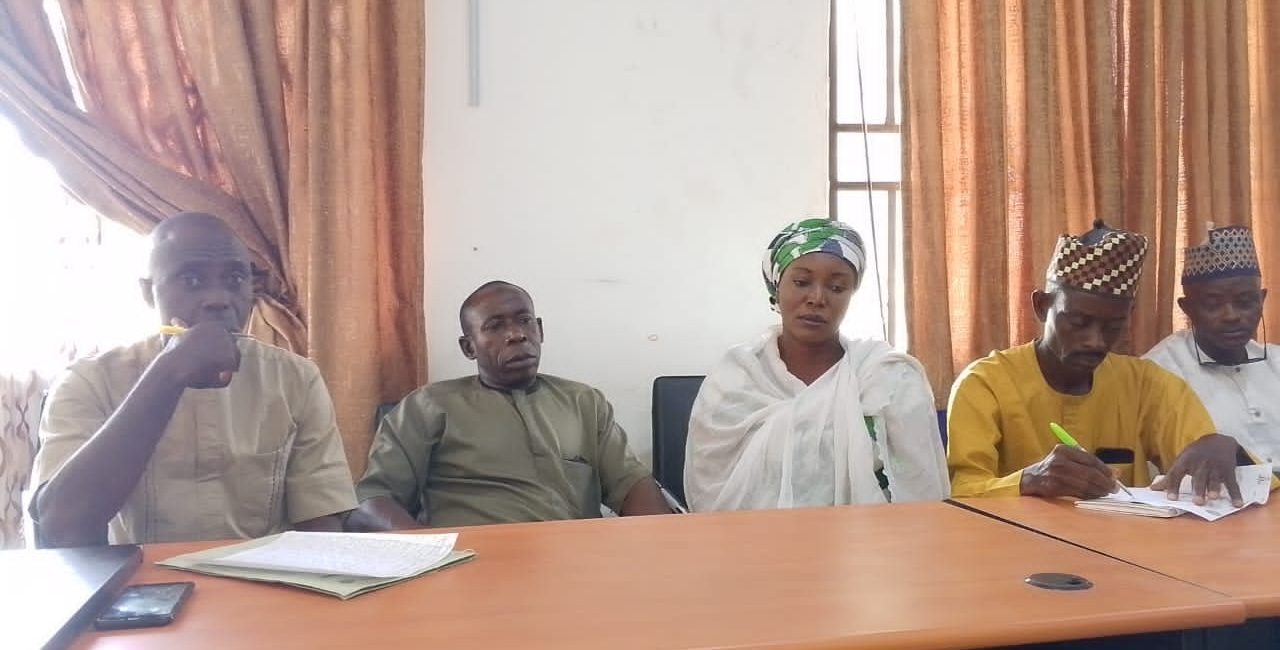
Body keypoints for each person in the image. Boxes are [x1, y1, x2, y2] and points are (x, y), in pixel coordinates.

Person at [29, 212, 356, 547]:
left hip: (263, 576)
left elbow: (322, 522)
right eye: (192, 280)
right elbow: (63, 524)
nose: (219, 299)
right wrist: (169, 372)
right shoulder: (88, 380)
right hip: (140, 576)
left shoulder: (296, 379)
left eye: (234, 279)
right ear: (148, 293)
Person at [947, 219, 1247, 504]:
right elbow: (964, 492)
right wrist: (1029, 482)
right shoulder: (985, 384)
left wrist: (1227, 451)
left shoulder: (1147, 385)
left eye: (1112, 326)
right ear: (1042, 306)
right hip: (1015, 540)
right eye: (1078, 322)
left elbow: (1210, 460)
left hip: (1126, 538)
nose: (1095, 341)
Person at [347, 281, 671, 530]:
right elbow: (372, 500)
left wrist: (663, 546)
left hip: (577, 563)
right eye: (495, 326)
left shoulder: (584, 402)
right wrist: (427, 556)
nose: (516, 335)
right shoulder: (428, 407)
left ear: (539, 330)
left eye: (524, 321)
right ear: (469, 347)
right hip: (471, 567)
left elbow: (632, 485)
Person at [683, 218, 949, 512]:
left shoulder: (888, 378)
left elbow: (918, 490)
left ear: (850, 295)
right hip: (748, 538)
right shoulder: (735, 378)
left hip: (867, 537)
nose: (817, 298)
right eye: (801, 283)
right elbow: (709, 488)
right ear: (776, 287)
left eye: (836, 287)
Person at [1146, 225, 1280, 469]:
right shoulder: (1158, 372)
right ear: (1187, 308)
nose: (1231, 316)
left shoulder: (1277, 362)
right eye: (1213, 304)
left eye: (1244, 302)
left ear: (1261, 301)